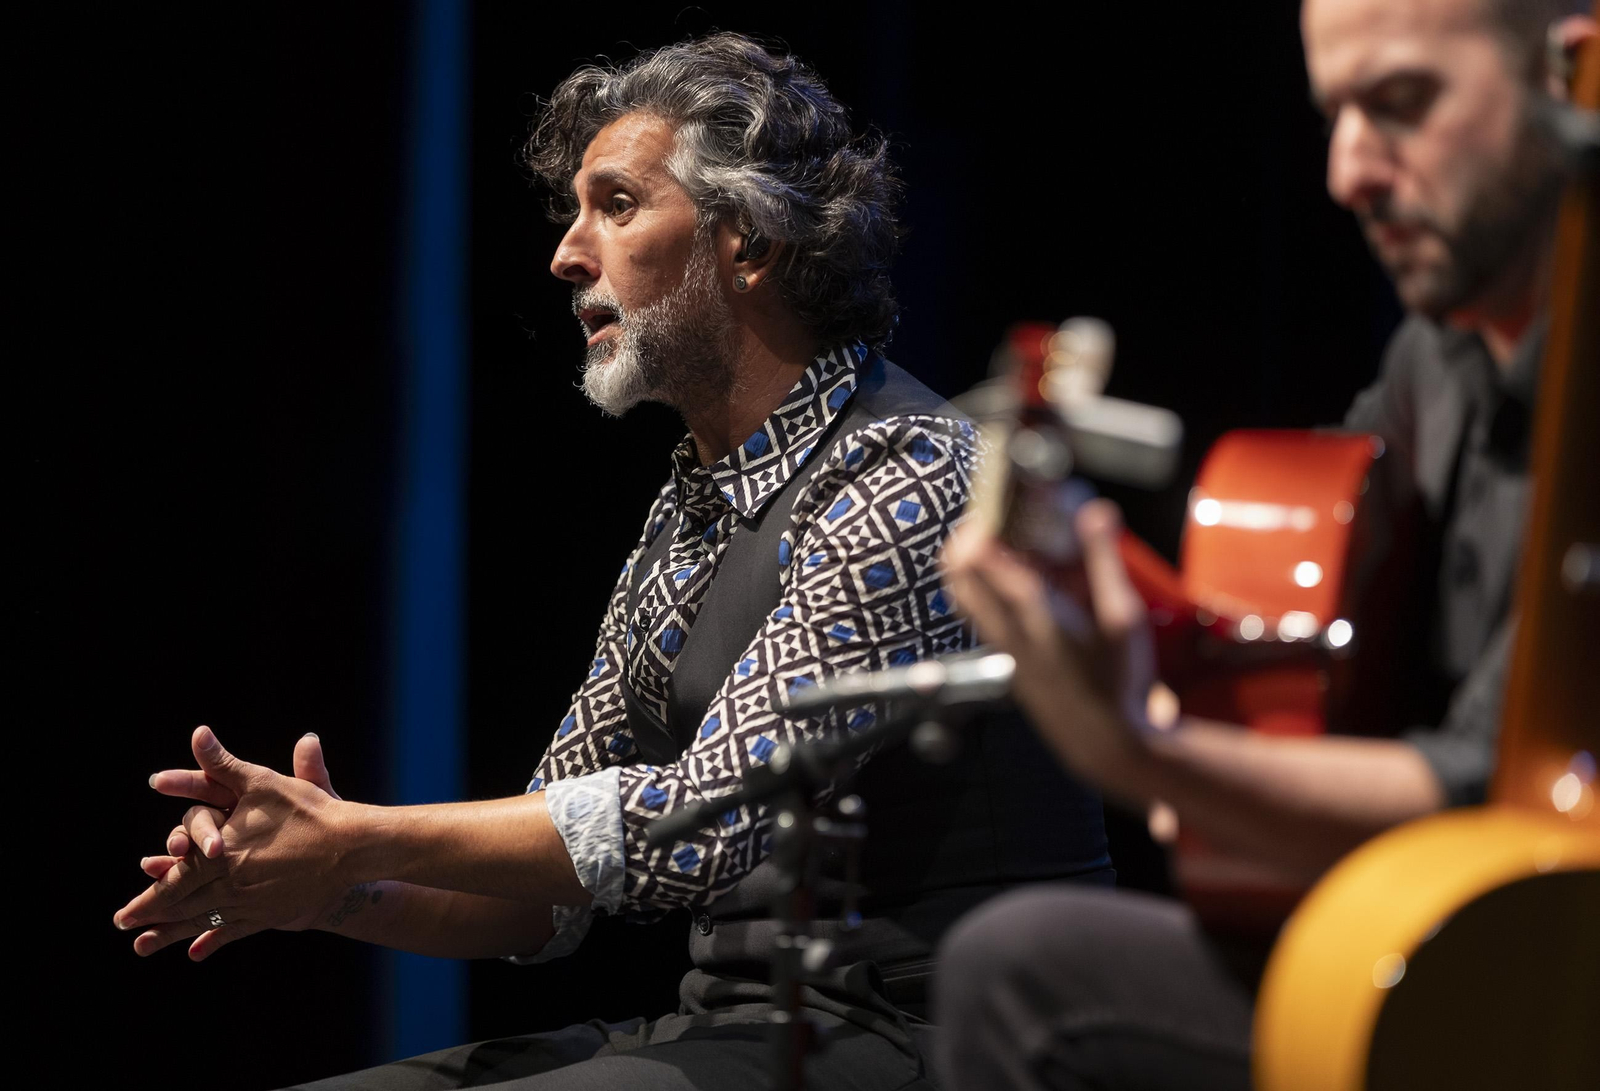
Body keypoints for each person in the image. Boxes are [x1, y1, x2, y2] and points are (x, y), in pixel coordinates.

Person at [113, 33, 1111, 1090]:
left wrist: (359, 836)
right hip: (745, 1027)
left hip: (935, 1036)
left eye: (618, 204)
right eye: (574, 212)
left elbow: (699, 820)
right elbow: (541, 896)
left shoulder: (907, 470)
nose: (566, 254)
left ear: (749, 244)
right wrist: (329, 891)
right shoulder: (689, 514)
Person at [932, 1, 1598, 1088]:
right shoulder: (1440, 352)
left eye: (1398, 105)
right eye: (1334, 115)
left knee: (1027, 978)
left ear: (1571, 79)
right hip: (1443, 926)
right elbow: (1292, 604)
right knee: (1019, 961)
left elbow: (1498, 795)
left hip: (1549, 960)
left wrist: (1144, 751)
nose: (1347, 174)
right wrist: (1104, 586)